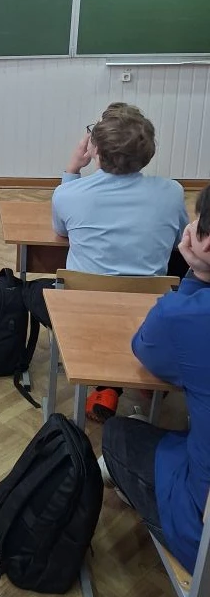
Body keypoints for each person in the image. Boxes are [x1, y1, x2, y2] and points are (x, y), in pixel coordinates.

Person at [52, 102, 189, 420]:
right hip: (148, 306)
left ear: (95, 151)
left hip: (83, 308)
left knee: (36, 291)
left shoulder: (69, 194)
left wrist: (72, 171)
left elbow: (61, 231)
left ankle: (108, 387)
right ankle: (148, 371)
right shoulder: (172, 192)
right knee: (179, 268)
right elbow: (179, 242)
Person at [101, 184, 210, 573]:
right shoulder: (169, 191)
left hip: (201, 532)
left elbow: (145, 348)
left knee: (119, 433)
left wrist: (197, 275)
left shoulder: (185, 316)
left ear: (205, 241)